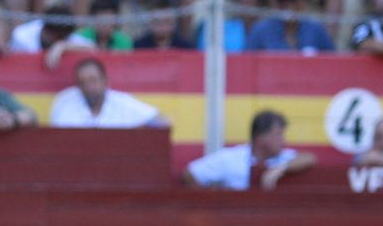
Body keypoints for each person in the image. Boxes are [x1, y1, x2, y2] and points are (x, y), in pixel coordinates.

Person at [184, 109, 314, 190]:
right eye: (277, 135)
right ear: (260, 138)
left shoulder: (282, 158)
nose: (283, 140)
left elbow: (309, 157)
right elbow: (190, 174)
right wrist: (209, 204)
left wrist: (279, 169)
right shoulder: (230, 159)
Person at [48, 57, 166, 129]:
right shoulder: (65, 102)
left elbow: (163, 122)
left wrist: (132, 134)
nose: (88, 87)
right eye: (82, 82)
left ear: (105, 81)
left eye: (93, 80)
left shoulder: (122, 102)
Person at [245, 0, 333, 53]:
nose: (287, 6)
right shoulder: (261, 30)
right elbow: (247, 61)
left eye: (292, 1)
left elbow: (331, 61)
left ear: (303, 3)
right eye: (282, 1)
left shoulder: (315, 30)